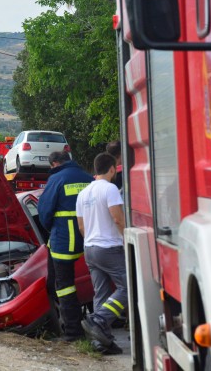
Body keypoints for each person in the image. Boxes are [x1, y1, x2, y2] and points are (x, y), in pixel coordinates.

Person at [38, 151, 93, 341]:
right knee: (96, 282)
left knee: (64, 286)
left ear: (54, 163)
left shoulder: (56, 179)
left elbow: (44, 211)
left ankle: (73, 333)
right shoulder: (88, 178)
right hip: (89, 239)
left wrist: (51, 230)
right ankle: (98, 324)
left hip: (64, 239)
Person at [76, 152, 126, 355]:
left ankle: (100, 342)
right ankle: (100, 319)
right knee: (128, 288)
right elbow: (118, 219)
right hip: (109, 248)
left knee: (102, 293)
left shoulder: (83, 193)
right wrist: (126, 239)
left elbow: (81, 226)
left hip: (90, 248)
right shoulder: (110, 189)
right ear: (112, 169)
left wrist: (92, 239)